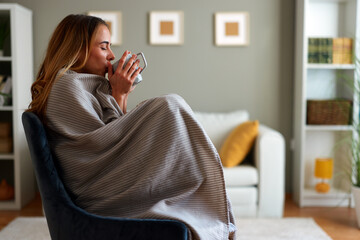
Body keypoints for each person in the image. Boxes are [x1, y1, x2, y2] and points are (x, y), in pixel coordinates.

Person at [27, 14, 236, 240]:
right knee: (170, 105)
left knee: (170, 108)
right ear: (77, 50)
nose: (112, 55)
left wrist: (121, 95)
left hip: (104, 180)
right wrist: (117, 94)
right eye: (104, 46)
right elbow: (102, 149)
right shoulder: (66, 86)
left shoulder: (83, 86)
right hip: (97, 191)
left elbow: (114, 137)